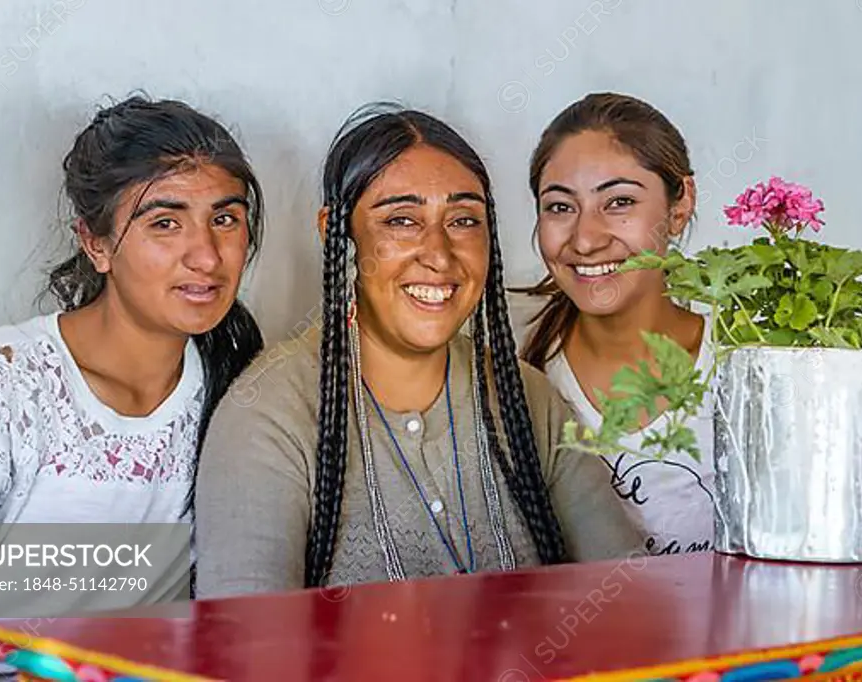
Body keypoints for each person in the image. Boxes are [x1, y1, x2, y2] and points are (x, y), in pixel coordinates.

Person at [195, 103, 643, 597]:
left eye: (463, 220)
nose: (438, 254)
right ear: (335, 232)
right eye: (402, 220)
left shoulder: (529, 401)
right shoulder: (269, 415)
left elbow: (624, 601)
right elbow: (248, 650)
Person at [0, 95, 264, 679]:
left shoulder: (239, 390)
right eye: (164, 222)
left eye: (226, 218)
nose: (206, 255)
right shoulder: (5, 386)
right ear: (96, 243)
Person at [518, 92, 715, 556]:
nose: (586, 240)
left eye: (619, 202)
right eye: (561, 207)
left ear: (680, 203)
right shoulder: (520, 373)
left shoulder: (744, 358)